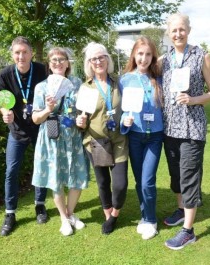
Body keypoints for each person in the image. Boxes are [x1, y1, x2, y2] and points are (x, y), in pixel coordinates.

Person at [160, 13, 210, 250]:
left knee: (189, 177)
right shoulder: (164, 60)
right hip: (169, 128)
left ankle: (188, 231)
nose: (178, 34)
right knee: (176, 176)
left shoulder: (201, 56)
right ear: (168, 33)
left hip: (192, 129)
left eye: (182, 29)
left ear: (189, 30)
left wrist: (194, 99)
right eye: (174, 30)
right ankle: (182, 209)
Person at [0, 36, 49, 237]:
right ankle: (10, 214)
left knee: (40, 166)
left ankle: (40, 205)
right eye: (17, 52)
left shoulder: (43, 71)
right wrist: (4, 113)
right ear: (12, 54)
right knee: (11, 171)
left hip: (39, 128)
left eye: (25, 52)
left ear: (31, 53)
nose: (21, 56)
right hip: (17, 131)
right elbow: (1, 101)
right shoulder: (4, 75)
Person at [31, 47, 90, 236]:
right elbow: (35, 119)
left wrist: (82, 119)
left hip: (72, 136)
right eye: (54, 60)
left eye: (62, 59)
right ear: (49, 64)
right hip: (52, 137)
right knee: (56, 180)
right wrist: (48, 109)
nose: (58, 62)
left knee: (77, 176)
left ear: (67, 63)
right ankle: (64, 219)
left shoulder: (77, 83)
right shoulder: (41, 87)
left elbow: (83, 110)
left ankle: (70, 213)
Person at [76, 42, 129, 235]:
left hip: (119, 141)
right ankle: (108, 215)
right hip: (95, 143)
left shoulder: (119, 83)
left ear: (107, 59)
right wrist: (80, 122)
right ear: (89, 63)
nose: (98, 61)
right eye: (94, 59)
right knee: (103, 182)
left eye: (101, 57)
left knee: (120, 184)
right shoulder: (85, 88)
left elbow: (128, 106)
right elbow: (80, 119)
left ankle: (115, 213)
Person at [119, 36, 164, 240]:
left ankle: (151, 220)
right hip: (135, 136)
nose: (143, 58)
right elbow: (120, 110)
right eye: (140, 54)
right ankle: (145, 217)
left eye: (148, 54)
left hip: (155, 137)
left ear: (152, 56)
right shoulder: (125, 80)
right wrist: (123, 121)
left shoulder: (160, 78)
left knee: (148, 181)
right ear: (134, 55)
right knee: (139, 181)